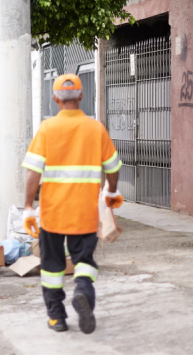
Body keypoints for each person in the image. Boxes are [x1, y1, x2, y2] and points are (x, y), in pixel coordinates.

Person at [22, 74, 123, 334]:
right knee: (84, 260)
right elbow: (112, 167)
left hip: (53, 213)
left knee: (52, 266)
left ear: (55, 99)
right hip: (85, 212)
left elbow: (33, 171)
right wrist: (111, 191)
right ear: (80, 96)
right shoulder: (96, 128)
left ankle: (57, 318)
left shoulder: (46, 128)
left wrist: (28, 207)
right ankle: (83, 291)